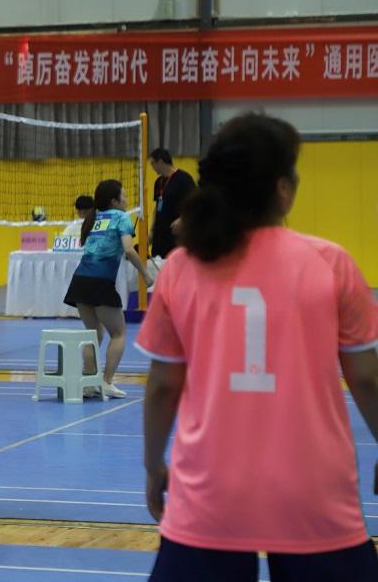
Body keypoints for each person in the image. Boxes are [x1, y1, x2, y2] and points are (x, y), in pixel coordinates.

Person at [138, 113, 378, 582]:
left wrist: (152, 466)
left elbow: (164, 386)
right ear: (283, 189)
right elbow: (367, 378)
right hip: (314, 497)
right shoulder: (330, 263)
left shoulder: (182, 267)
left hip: (208, 498)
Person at [63, 179, 154, 399]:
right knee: (119, 333)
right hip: (101, 282)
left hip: (80, 281)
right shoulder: (121, 217)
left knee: (93, 334)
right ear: (114, 201)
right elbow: (129, 250)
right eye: (124, 196)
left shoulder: (94, 217)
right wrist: (145, 274)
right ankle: (106, 382)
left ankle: (88, 384)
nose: (127, 200)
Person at [149, 148, 196, 260]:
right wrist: (152, 230)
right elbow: (157, 206)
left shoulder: (184, 179)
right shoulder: (158, 182)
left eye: (153, 163)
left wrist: (182, 219)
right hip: (159, 235)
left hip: (175, 234)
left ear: (160, 161)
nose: (152, 167)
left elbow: (195, 204)